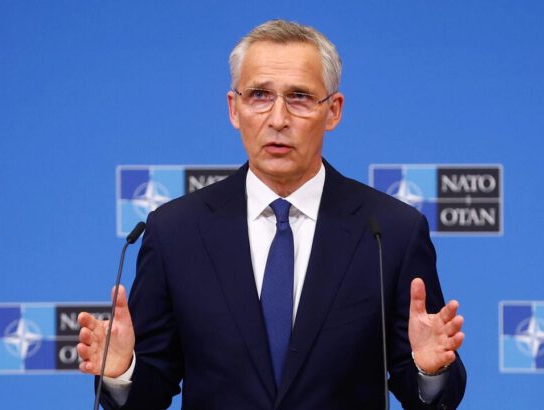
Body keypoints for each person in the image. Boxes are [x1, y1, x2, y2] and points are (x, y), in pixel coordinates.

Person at [77, 19, 466, 409]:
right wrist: (122, 371)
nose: (278, 119)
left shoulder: (390, 232)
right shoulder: (176, 232)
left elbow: (430, 396)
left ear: (333, 111)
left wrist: (429, 371)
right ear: (234, 108)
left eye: (299, 97)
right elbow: (150, 389)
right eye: (259, 95)